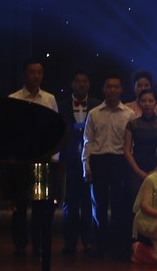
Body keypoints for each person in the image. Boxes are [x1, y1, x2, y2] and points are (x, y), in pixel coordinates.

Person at [83, 75, 137, 258]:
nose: (112, 90)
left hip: (119, 160)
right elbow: (87, 141)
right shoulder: (94, 113)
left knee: (118, 205)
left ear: (121, 89)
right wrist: (85, 165)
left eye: (116, 87)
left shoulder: (129, 114)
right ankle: (100, 243)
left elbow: (131, 143)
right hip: (98, 160)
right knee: (98, 204)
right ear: (103, 89)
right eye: (109, 87)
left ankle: (116, 244)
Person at [9, 59, 58, 257]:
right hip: (21, 158)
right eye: (32, 72)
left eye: (39, 72)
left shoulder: (49, 99)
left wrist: (54, 156)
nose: (36, 76)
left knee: (41, 205)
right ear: (24, 74)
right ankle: (20, 244)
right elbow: (9, 131)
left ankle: (38, 244)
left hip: (43, 156)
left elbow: (56, 129)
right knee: (19, 205)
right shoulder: (13, 98)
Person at [60, 70, 96, 256]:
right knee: (70, 203)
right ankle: (70, 243)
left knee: (89, 203)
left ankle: (89, 242)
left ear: (89, 84)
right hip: (69, 161)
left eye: (85, 81)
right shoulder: (61, 105)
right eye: (78, 81)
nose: (81, 84)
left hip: (90, 160)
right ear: (72, 84)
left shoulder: (97, 105)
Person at [124, 89, 157, 183]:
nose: (147, 104)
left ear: (156, 103)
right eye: (143, 101)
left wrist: (156, 170)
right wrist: (138, 171)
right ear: (138, 103)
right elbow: (127, 150)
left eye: (150, 101)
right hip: (136, 166)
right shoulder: (132, 124)